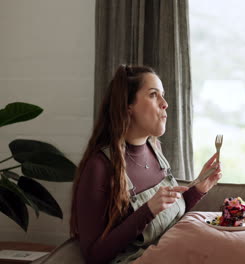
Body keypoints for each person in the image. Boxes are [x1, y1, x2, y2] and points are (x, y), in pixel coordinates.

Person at [70, 65, 222, 264]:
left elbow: (167, 219)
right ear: (128, 106)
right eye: (153, 95)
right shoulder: (98, 167)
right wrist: (147, 211)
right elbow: (93, 256)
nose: (165, 104)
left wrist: (198, 188)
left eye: (163, 95)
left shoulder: (154, 149)